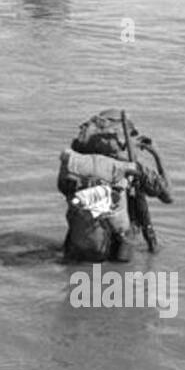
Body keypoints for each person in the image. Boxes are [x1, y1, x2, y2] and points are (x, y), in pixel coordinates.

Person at [59, 110, 173, 259]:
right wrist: (156, 153)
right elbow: (168, 196)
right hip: (117, 249)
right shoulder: (131, 167)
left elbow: (63, 188)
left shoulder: (76, 164)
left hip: (77, 245)